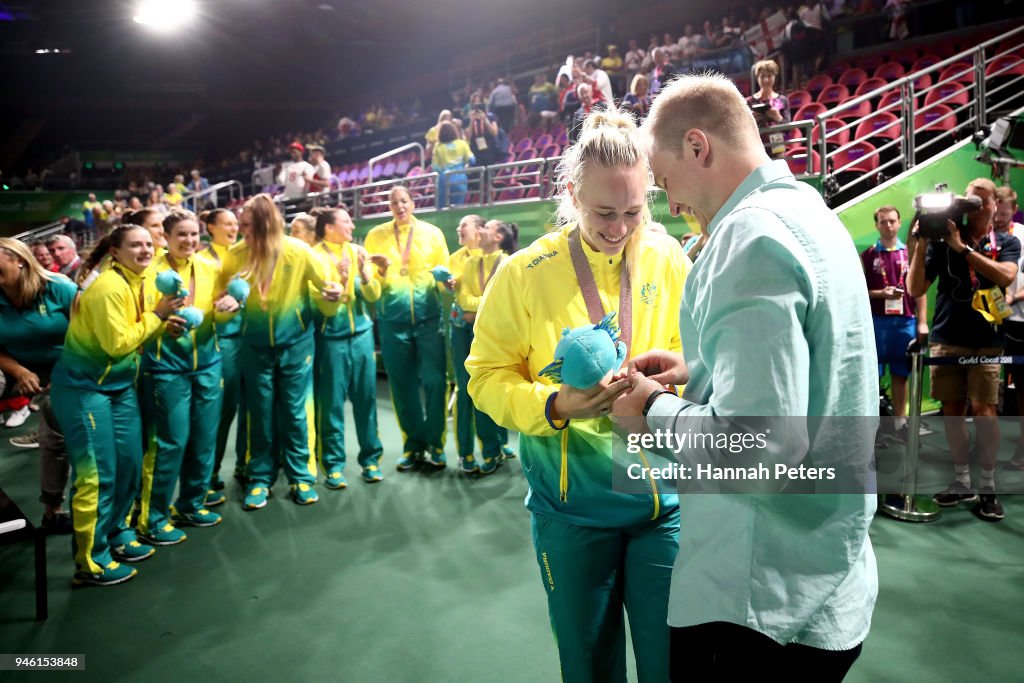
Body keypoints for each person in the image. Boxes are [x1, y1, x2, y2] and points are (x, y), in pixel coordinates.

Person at [621, 73, 877, 678]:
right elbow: (818, 359)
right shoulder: (808, 211)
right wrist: (700, 367)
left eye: (665, 181)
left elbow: (761, 445)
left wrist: (652, 410)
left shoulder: (748, 234)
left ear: (697, 147)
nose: (671, 201)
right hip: (826, 571)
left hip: (758, 596)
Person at [466, 109, 688, 682]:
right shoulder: (523, 273)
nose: (619, 228)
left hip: (662, 504)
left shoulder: (668, 258)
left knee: (672, 665)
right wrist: (554, 407)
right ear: (571, 193)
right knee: (588, 666)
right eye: (603, 213)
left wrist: (674, 376)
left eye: (634, 212)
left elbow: (705, 357)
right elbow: (485, 377)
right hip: (572, 509)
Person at [50, 224, 183, 585]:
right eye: (135, 245)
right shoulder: (109, 286)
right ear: (115, 252)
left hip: (120, 386)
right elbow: (117, 343)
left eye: (148, 243)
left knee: (128, 465)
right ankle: (91, 562)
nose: (145, 250)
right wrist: (156, 316)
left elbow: (137, 325)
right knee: (98, 475)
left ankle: (116, 533)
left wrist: (163, 321)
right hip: (83, 390)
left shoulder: (142, 279)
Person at [907, 178, 1018, 522]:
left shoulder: (1008, 242)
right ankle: (961, 479)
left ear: (994, 206)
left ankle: (987, 486)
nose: (976, 205)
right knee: (951, 412)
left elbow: (1004, 276)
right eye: (970, 199)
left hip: (988, 339)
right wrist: (923, 240)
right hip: (947, 336)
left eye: (982, 200)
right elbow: (915, 287)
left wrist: (963, 249)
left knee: (985, 412)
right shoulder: (941, 240)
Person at [221, 194, 341, 510]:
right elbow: (220, 307)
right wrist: (227, 309)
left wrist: (334, 294)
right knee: (259, 412)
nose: (241, 232)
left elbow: (328, 298)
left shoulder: (299, 251)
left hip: (296, 344)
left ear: (265, 225)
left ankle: (301, 476)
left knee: (295, 411)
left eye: (247, 226)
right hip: (254, 345)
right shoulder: (235, 255)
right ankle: (260, 478)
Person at [137, 210, 239, 545]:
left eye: (194, 234)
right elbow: (138, 319)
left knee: (204, 438)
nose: (189, 241)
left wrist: (231, 307)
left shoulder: (210, 268)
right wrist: (161, 323)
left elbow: (222, 315)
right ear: (164, 237)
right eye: (181, 234)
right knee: (169, 442)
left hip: (208, 365)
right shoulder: (149, 273)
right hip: (165, 368)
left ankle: (192, 504)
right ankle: (153, 518)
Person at [364, 186, 450, 470]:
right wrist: (378, 272)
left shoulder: (432, 233)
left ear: (413, 203)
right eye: (393, 203)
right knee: (401, 386)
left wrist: (446, 282)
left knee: (435, 381)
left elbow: (444, 271)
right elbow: (371, 282)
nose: (399, 206)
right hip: (392, 320)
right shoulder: (376, 236)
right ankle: (413, 445)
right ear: (389, 207)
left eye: (404, 201)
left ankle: (436, 444)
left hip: (428, 318)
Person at [0, 238, 77, 533]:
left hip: (70, 367)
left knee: (55, 434)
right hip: (18, 370)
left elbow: (87, 335)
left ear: (19, 259)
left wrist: (58, 378)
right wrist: (20, 372)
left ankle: (53, 510)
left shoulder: (59, 287)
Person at [309, 206, 385, 486]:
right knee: (332, 405)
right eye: (346, 221)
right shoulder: (314, 258)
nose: (352, 226)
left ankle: (370, 460)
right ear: (329, 227)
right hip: (331, 340)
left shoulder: (356, 252)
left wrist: (365, 276)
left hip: (362, 336)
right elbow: (322, 310)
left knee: (366, 400)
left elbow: (374, 294)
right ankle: (333, 464)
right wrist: (340, 282)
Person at [454, 219, 518, 474]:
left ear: (499, 237)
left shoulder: (508, 263)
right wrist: (481, 306)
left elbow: (500, 302)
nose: (480, 231)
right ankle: (473, 451)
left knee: (492, 389)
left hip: (495, 336)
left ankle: (493, 450)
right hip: (465, 334)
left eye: (486, 228)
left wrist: (475, 308)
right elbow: (462, 299)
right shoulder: (471, 262)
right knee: (468, 389)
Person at [862, 205, 928, 443]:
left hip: (905, 322)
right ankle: (875, 426)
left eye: (892, 221)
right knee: (872, 376)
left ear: (899, 223)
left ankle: (900, 423)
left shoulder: (911, 253)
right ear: (877, 225)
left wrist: (922, 322)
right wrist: (882, 294)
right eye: (883, 222)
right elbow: (861, 292)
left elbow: (921, 290)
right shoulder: (868, 255)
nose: (888, 225)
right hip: (877, 323)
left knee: (901, 373)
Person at [196, 208, 245, 501]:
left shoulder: (245, 256)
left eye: (236, 223)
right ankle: (208, 471)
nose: (234, 227)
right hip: (221, 343)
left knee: (251, 409)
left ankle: (245, 464)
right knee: (222, 412)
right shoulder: (202, 261)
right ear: (211, 227)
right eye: (227, 223)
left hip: (251, 340)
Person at [995, 185, 1024, 470]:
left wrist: (1013, 296)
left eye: (1004, 214)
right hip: (993, 322)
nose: (999, 218)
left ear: (1013, 210)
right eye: (995, 212)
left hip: (1020, 320)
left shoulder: (1022, 237)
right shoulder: (985, 235)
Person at [746, 59, 791, 159]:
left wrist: (778, 117)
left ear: (775, 77)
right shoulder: (749, 102)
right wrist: (753, 120)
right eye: (762, 76)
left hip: (777, 143)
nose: (766, 80)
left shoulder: (783, 100)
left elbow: (788, 129)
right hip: (757, 145)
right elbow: (743, 128)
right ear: (757, 78)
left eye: (769, 76)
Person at [431, 121, 475, 208]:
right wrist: (466, 167)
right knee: (458, 207)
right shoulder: (462, 143)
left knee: (442, 208)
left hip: (444, 178)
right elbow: (472, 160)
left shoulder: (438, 147)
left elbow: (435, 167)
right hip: (460, 178)